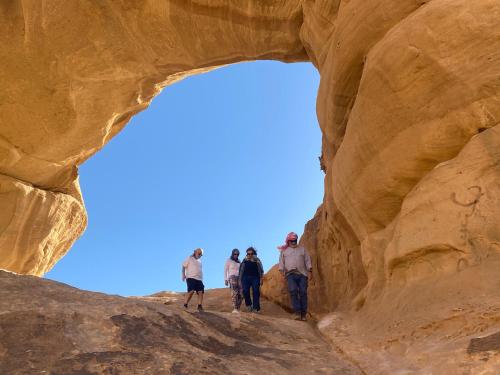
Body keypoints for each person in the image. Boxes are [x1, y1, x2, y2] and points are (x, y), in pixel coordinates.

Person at [278, 232, 313, 321]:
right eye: (292, 241)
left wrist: (310, 271)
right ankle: (297, 313)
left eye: (295, 240)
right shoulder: (284, 251)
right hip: (290, 274)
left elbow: (307, 260)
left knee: (303, 293)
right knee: (293, 291)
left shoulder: (302, 249)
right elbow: (281, 263)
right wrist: (282, 274)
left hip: (302, 274)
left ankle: (303, 314)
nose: (294, 242)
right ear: (288, 241)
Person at [239, 247, 264, 313]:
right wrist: (240, 280)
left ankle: (255, 308)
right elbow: (241, 271)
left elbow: (261, 270)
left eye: (251, 254)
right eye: (248, 254)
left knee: (256, 291)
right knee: (245, 291)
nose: (249, 255)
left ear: (254, 254)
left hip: (255, 277)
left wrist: (261, 278)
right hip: (245, 277)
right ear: (246, 254)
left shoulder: (257, 260)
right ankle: (249, 305)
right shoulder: (244, 260)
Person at [224, 248, 242, 313]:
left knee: (241, 293)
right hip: (232, 277)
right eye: (235, 254)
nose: (236, 255)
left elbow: (241, 270)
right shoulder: (229, 260)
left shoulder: (239, 261)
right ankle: (235, 308)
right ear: (232, 253)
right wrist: (225, 279)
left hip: (239, 277)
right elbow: (225, 270)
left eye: (237, 254)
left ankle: (238, 308)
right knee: (234, 292)